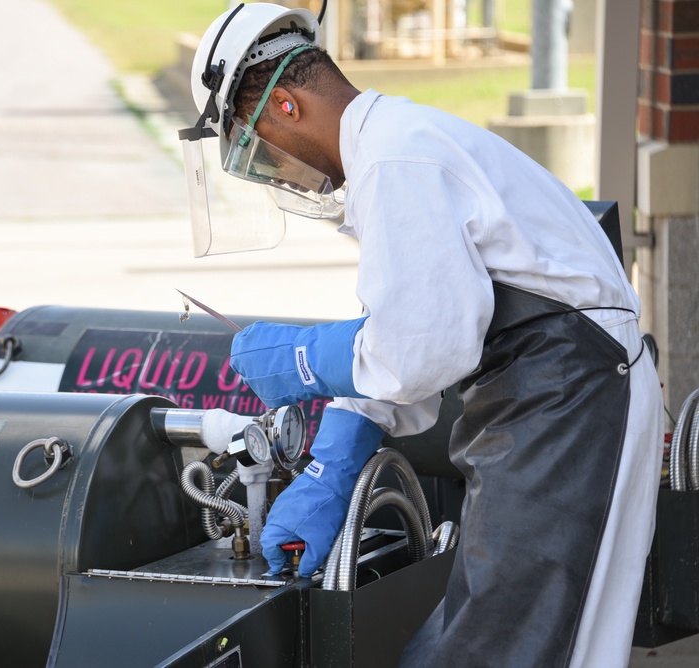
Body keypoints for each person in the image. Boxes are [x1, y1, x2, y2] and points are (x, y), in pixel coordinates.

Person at [178, 2, 664, 667]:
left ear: (287, 107)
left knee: (511, 644)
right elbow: (415, 329)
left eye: (260, 149)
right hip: (548, 395)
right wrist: (332, 463)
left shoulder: (395, 161)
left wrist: (304, 358)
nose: (277, 170)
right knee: (492, 636)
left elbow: (419, 351)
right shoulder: (397, 146)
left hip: (569, 396)